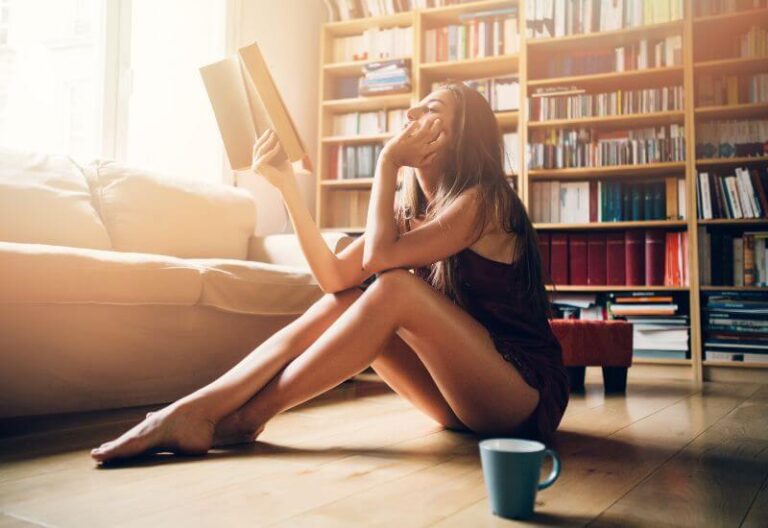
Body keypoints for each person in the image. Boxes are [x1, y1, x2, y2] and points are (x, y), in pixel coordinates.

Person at [90, 82, 569, 463]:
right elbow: (335, 278)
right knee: (349, 300)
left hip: (521, 398)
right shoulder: (411, 219)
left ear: (461, 134)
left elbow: (382, 262)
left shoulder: (485, 201)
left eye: (431, 110)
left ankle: (245, 419)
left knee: (393, 288)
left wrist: (387, 164)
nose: (410, 117)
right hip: (459, 402)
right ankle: (196, 410)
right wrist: (286, 190)